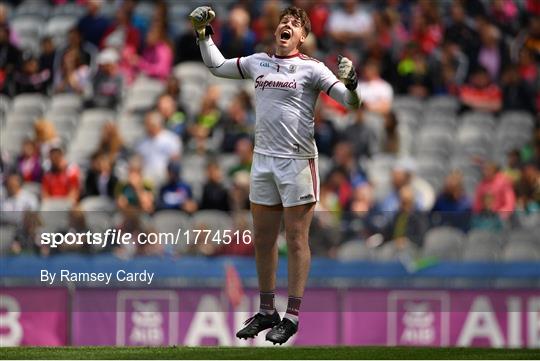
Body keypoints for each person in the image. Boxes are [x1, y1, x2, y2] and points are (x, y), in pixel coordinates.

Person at [190, 5, 360, 344]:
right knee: (263, 241)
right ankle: (267, 311)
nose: (287, 25)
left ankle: (292, 315)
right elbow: (216, 66)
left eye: (295, 23)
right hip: (263, 161)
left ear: (303, 36)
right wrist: (202, 33)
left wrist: (351, 83)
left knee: (296, 240)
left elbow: (350, 102)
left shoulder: (312, 68)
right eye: (284, 20)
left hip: (296, 162)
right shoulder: (258, 61)